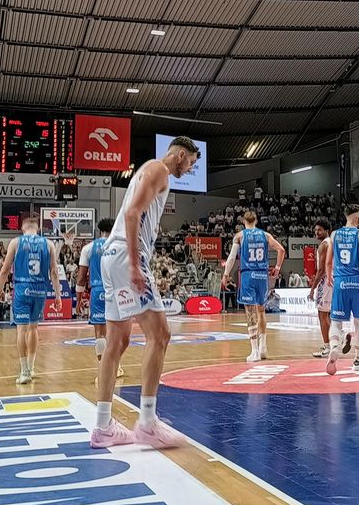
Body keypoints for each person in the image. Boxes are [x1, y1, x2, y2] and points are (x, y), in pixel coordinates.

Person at [92, 137, 201, 449]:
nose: (190, 168)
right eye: (191, 162)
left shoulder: (150, 172)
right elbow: (131, 215)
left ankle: (103, 426)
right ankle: (148, 422)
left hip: (112, 258)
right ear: (181, 155)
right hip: (128, 257)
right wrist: (136, 267)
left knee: (117, 342)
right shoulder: (158, 170)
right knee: (160, 334)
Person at [0, 214, 61, 385]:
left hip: (22, 289)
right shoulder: (48, 244)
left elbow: (5, 269)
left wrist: (0, 289)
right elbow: (54, 272)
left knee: (21, 331)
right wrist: (58, 295)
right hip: (40, 290)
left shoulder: (16, 242)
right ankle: (32, 367)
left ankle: (24, 371)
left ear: (22, 228)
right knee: (33, 329)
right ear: (37, 229)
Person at [221, 209, 285, 362]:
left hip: (248, 275)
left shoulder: (240, 236)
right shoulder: (265, 235)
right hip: (262, 276)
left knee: (250, 312)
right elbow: (281, 250)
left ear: (244, 221)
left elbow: (231, 258)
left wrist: (225, 275)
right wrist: (277, 268)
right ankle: (263, 348)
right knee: (261, 311)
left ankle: (254, 351)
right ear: (256, 221)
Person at [75, 217, 124, 385]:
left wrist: (79, 299)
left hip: (98, 291)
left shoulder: (89, 248)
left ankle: (104, 369)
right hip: (117, 291)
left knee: (100, 333)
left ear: (99, 231)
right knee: (116, 333)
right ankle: (115, 367)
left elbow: (81, 278)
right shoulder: (120, 246)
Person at [325, 203, 359, 375]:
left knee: (336, 322)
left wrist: (330, 276)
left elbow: (329, 261)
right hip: (358, 281)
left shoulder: (335, 234)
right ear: (355, 214)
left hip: (340, 281)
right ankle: (358, 361)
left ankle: (334, 346)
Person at [308, 219, 351, 359]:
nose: (316, 232)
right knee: (331, 314)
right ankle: (338, 339)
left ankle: (328, 346)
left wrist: (313, 288)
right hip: (337, 278)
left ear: (327, 230)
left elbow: (321, 270)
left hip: (327, 280)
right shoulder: (334, 242)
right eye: (315, 230)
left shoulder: (324, 245)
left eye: (319, 229)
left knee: (322, 314)